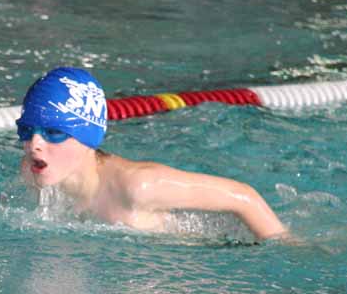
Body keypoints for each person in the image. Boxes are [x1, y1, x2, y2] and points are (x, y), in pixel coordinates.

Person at [16, 67, 288, 241]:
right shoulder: (34, 171)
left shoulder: (138, 186)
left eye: (53, 132)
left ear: (88, 136)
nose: (34, 144)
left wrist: (284, 247)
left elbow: (245, 197)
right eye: (27, 130)